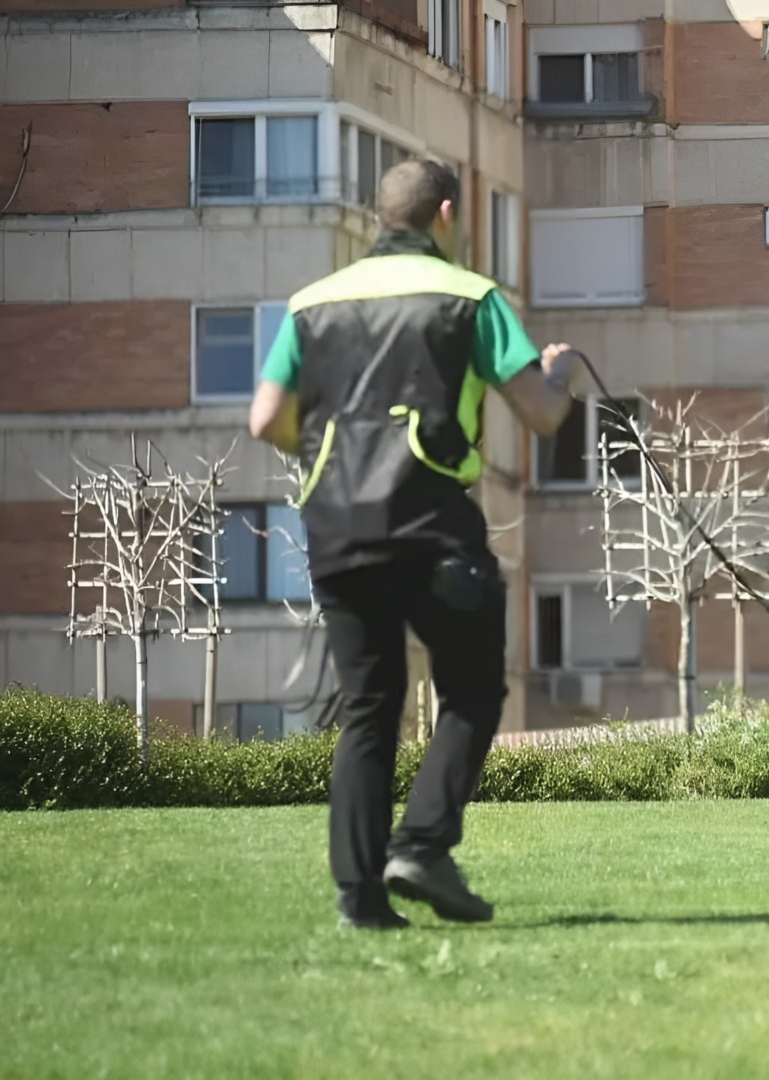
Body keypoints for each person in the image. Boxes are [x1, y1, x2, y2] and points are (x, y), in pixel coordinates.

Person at [248, 159, 592, 930]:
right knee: (470, 689)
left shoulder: (311, 303)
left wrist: (341, 453)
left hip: (337, 529)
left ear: (380, 218)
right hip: (434, 527)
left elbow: (265, 420)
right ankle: (423, 846)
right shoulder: (470, 297)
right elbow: (539, 414)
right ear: (445, 214)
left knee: (369, 710)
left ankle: (360, 901)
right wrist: (561, 372)